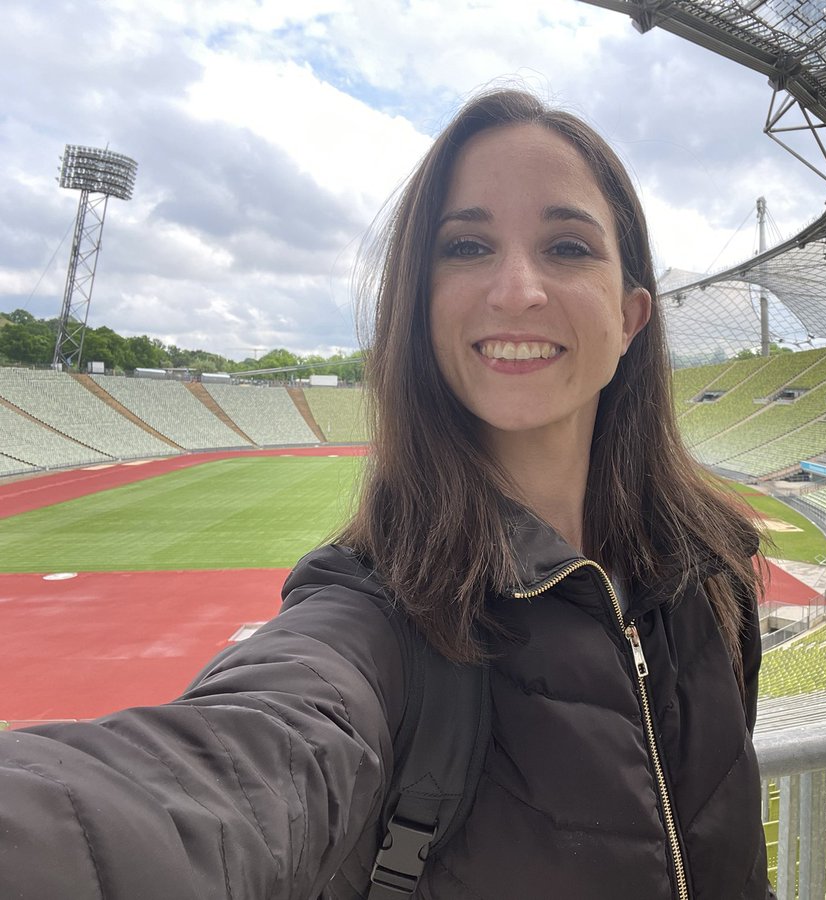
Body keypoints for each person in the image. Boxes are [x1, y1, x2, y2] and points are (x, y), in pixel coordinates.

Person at [0, 89, 769, 900]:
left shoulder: (710, 575)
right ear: (419, 306)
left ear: (631, 316)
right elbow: (236, 771)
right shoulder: (375, 619)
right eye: (467, 246)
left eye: (568, 247)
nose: (516, 289)